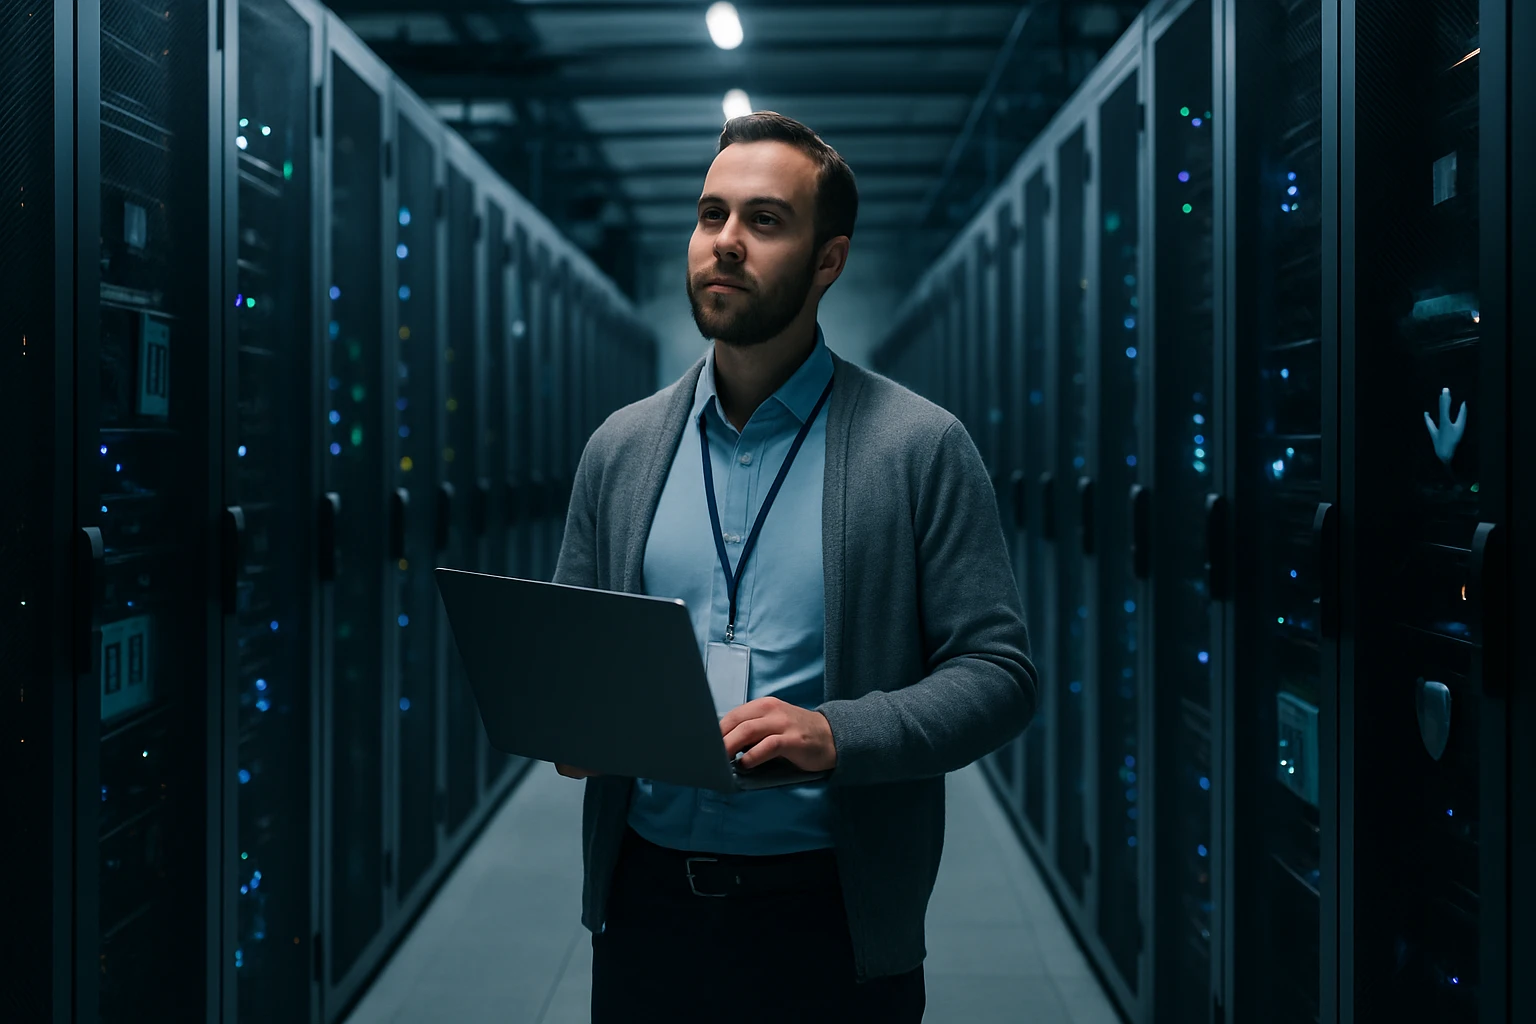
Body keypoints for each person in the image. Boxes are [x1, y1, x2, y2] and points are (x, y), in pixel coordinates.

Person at [551, 111, 1037, 1023]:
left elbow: (999, 676)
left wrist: (839, 734)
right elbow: (574, 650)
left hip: (831, 916)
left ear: (829, 260)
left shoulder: (919, 447)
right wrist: (573, 722)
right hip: (646, 906)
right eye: (710, 215)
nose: (726, 243)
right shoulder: (620, 448)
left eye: (764, 221)